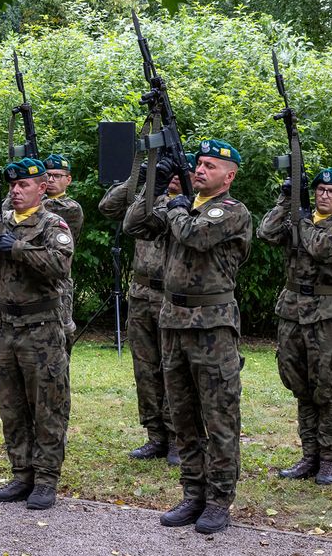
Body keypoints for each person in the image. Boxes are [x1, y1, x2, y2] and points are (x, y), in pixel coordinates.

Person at [124, 139, 252, 534]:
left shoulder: (232, 211)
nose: (200, 170)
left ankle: (218, 501)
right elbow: (132, 224)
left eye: (210, 166)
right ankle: (192, 494)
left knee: (218, 415)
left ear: (228, 176)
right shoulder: (183, 205)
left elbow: (195, 236)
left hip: (211, 324)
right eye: (198, 164)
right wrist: (156, 188)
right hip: (173, 320)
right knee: (183, 415)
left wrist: (176, 207)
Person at [0, 157, 72, 511]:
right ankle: (21, 473)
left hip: (42, 328)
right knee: (11, 405)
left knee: (47, 406)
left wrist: (19, 248)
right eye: (13, 185)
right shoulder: (1, 221)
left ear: (41, 187)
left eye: (24, 185)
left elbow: (59, 266)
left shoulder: (53, 223)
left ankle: (45, 479)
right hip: (5, 327)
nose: (16, 190)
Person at [257, 167, 332, 485]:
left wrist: (300, 216)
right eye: (319, 189)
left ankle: (329, 460)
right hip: (292, 313)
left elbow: (320, 248)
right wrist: (285, 199)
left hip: (327, 316)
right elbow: (265, 231)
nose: (324, 195)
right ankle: (309, 457)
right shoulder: (299, 218)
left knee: (327, 390)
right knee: (301, 389)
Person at [98, 157, 192, 465]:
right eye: (170, 173)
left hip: (171, 295)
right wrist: (142, 178)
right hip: (140, 293)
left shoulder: (192, 207)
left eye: (181, 172)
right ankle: (155, 436)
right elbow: (109, 208)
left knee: (173, 368)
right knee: (145, 368)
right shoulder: (151, 199)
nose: (175, 178)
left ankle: (178, 437)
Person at [42, 154, 82, 352]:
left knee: (62, 332)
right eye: (47, 175)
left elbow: (43, 213)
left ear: (68, 180)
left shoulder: (71, 209)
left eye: (57, 176)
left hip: (59, 282)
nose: (50, 180)